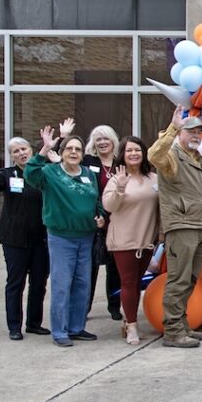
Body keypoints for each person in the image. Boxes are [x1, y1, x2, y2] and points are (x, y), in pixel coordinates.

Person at [25, 128, 105, 347]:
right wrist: (44, 149)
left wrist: (100, 216)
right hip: (61, 238)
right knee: (61, 285)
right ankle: (60, 331)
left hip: (86, 237)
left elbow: (96, 201)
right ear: (61, 152)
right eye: (69, 148)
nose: (73, 152)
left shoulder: (88, 174)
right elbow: (30, 174)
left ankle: (76, 327)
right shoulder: (50, 173)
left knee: (83, 284)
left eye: (77, 149)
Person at [147, 107, 202, 348]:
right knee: (178, 279)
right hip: (183, 226)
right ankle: (173, 331)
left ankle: (182, 324)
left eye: (199, 132)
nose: (196, 135)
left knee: (190, 279)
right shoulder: (172, 156)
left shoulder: (198, 159)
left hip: (201, 226)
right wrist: (173, 127)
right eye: (191, 131)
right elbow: (154, 155)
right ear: (180, 134)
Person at [0, 136, 49, 341]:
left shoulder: (42, 173)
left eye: (24, 148)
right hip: (14, 239)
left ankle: (34, 324)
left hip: (41, 238)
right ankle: (14, 326)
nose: (21, 153)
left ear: (31, 150)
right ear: (12, 156)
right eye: (16, 151)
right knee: (15, 283)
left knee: (39, 282)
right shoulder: (8, 175)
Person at [102, 136, 160, 345]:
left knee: (137, 284)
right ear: (123, 156)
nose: (134, 154)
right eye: (129, 151)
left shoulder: (153, 178)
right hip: (124, 240)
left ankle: (128, 320)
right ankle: (133, 326)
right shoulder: (117, 178)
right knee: (128, 282)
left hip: (147, 240)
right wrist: (119, 188)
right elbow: (109, 206)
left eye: (137, 150)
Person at [81, 124, 123, 321]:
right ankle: (84, 307)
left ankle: (114, 306)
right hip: (93, 221)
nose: (102, 142)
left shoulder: (120, 162)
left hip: (116, 222)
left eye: (105, 138)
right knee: (89, 269)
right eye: (98, 139)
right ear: (93, 143)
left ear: (113, 140)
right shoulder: (87, 161)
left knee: (115, 268)